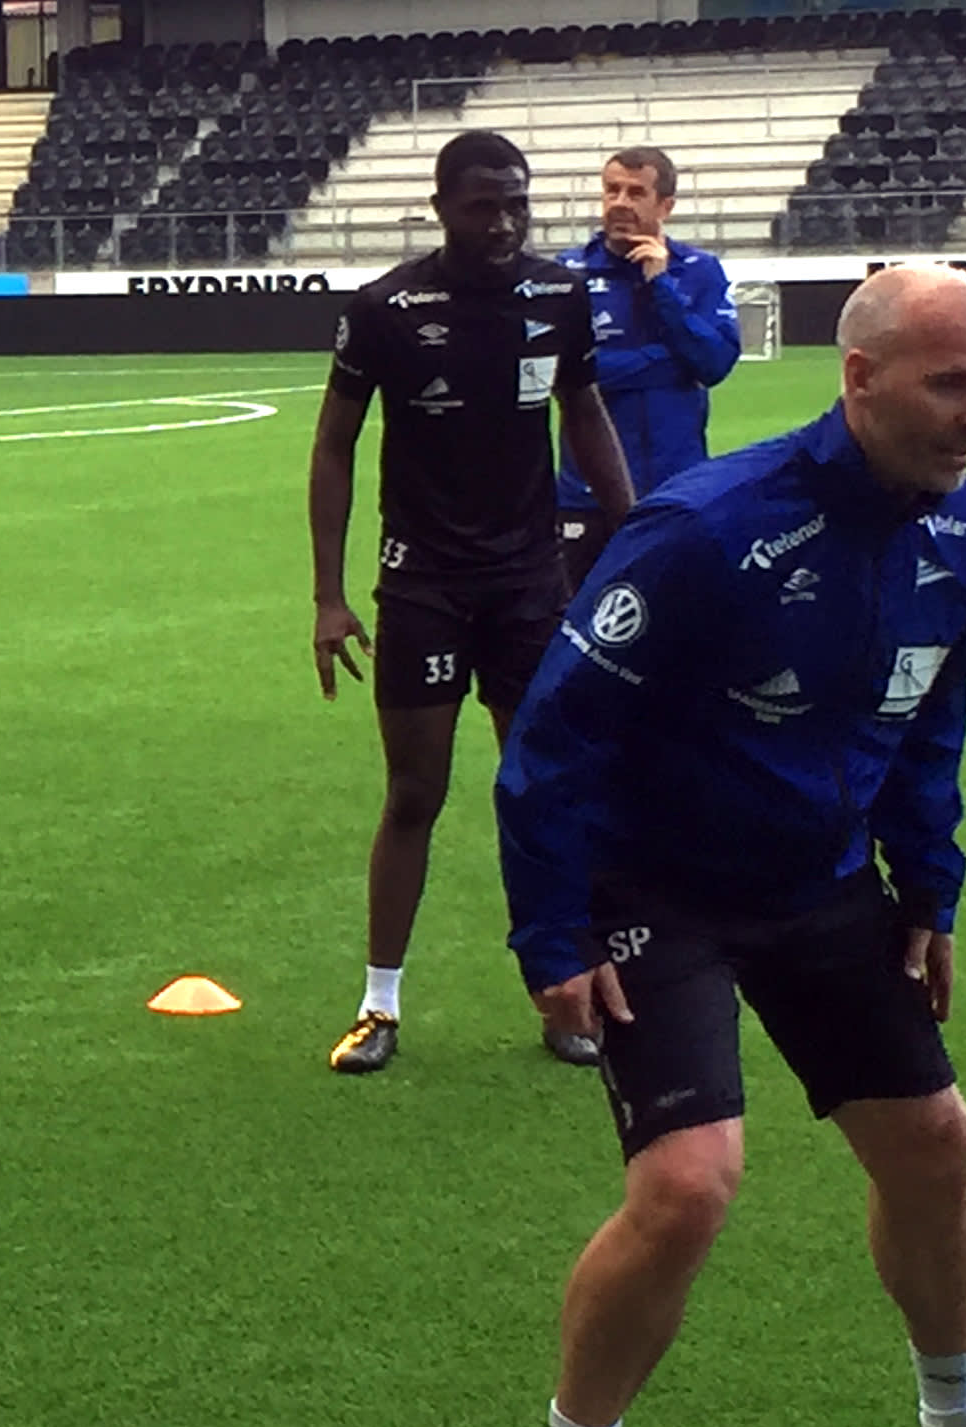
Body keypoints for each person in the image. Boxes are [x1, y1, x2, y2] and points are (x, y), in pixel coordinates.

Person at [492, 264, 966, 1427]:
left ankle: (962, 1418)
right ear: (861, 377)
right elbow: (553, 739)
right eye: (953, 383)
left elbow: (927, 718)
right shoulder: (704, 529)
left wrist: (927, 889)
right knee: (688, 1185)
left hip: (821, 884)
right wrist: (552, 931)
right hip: (659, 887)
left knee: (933, 1143)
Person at [309, 130, 636, 1075]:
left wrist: (638, 535)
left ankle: (564, 991)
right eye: (482, 205)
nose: (502, 223)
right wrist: (329, 596)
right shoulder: (385, 309)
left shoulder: (560, 297)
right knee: (415, 792)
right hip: (422, 583)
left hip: (531, 583)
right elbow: (334, 446)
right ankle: (379, 1005)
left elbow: (585, 414)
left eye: (516, 204)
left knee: (541, 788)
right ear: (442, 208)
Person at [553, 146, 743, 590]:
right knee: (577, 621)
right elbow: (564, 374)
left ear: (665, 206)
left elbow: (713, 363)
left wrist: (662, 286)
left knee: (676, 620)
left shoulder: (698, 271)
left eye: (636, 193)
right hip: (586, 496)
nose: (620, 202)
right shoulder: (568, 274)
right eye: (612, 190)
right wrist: (665, 360)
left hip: (678, 490)